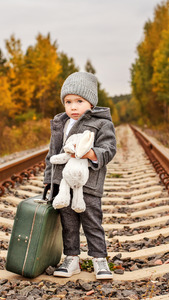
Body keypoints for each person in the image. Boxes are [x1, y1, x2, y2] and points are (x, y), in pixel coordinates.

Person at [43, 71, 117, 280]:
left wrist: (90, 153)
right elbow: (52, 154)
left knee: (92, 222)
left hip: (89, 183)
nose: (73, 107)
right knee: (68, 223)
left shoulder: (102, 123)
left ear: (91, 103)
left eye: (79, 101)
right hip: (63, 184)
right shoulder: (61, 123)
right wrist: (49, 181)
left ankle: (99, 260)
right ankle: (71, 258)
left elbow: (109, 149)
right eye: (68, 102)